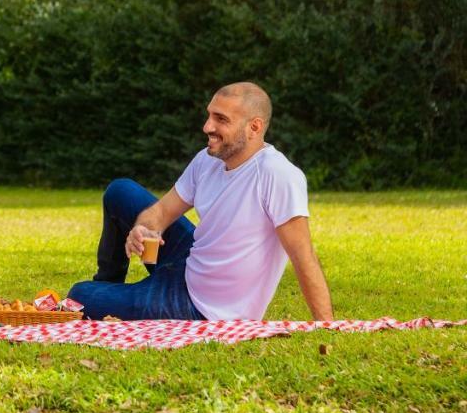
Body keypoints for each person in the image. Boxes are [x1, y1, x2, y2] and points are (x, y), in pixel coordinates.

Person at [68, 82, 334, 322]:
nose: (207, 127)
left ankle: (104, 296)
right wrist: (144, 228)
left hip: (199, 306)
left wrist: (326, 326)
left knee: (78, 296)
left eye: (221, 119)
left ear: (254, 127)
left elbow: (303, 257)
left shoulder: (277, 175)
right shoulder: (207, 160)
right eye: (209, 115)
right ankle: (109, 284)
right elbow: (161, 212)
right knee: (120, 191)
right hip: (190, 258)